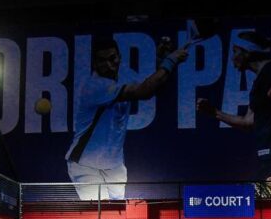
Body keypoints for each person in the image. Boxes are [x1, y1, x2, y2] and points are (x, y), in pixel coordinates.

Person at [66, 36, 188, 200]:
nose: (108, 64)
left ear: (119, 58)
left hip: (114, 165)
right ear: (94, 63)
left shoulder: (122, 79)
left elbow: (152, 87)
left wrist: (161, 59)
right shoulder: (94, 86)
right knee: (101, 213)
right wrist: (170, 61)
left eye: (112, 58)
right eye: (102, 60)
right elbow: (144, 91)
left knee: (118, 213)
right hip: (85, 164)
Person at [196, 31, 271, 191]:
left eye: (235, 52)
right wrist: (214, 112)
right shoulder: (260, 80)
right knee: (259, 204)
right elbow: (248, 122)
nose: (232, 58)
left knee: (270, 202)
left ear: (247, 52)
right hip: (266, 158)